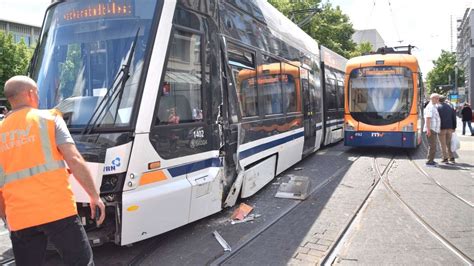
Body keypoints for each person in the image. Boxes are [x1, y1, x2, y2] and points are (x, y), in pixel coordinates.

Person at [0, 76, 105, 266]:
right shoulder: (49, 119)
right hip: (57, 210)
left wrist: (6, 218)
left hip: (20, 217)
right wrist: (94, 196)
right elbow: (74, 159)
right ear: (31, 94)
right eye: (37, 93)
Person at [436, 95, 456, 164]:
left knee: (443, 144)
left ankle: (445, 158)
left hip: (441, 128)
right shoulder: (450, 107)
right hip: (450, 128)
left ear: (438, 100)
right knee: (449, 143)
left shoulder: (437, 107)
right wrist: (454, 127)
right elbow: (454, 118)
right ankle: (452, 157)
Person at [423, 93, 441, 166]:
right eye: (437, 98)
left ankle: (431, 160)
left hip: (434, 129)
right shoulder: (430, 107)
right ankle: (429, 161)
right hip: (431, 129)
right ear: (433, 98)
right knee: (432, 146)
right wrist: (428, 130)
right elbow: (428, 118)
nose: (438, 100)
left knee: (433, 145)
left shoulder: (434, 106)